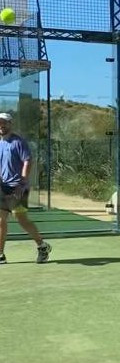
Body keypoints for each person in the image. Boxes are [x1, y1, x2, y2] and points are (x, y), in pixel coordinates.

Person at [0, 113, 52, 264]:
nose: (1, 126)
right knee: (1, 220)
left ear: (10, 124)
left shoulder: (18, 142)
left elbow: (27, 161)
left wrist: (22, 183)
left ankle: (42, 246)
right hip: (3, 188)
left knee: (21, 219)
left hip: (18, 187)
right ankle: (0, 254)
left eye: (4, 123)